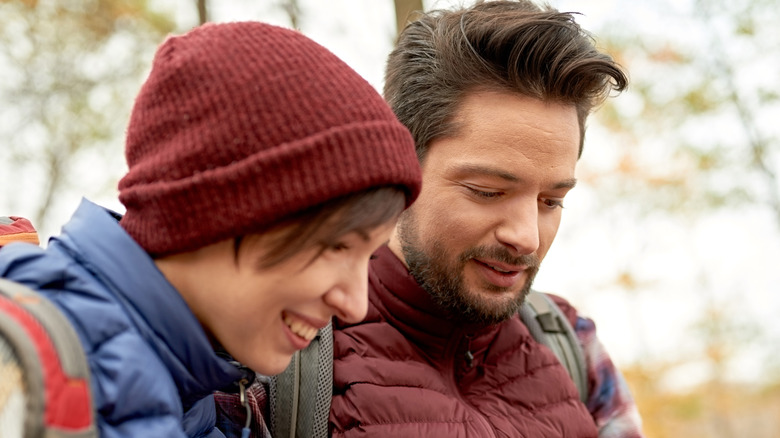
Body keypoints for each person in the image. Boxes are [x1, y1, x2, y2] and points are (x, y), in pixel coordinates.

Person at [0, 21, 421, 438]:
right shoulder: (27, 376)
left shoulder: (195, 396)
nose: (355, 305)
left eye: (367, 257)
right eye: (337, 246)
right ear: (215, 210)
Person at [326, 1, 642, 437]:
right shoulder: (282, 349)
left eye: (551, 201)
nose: (527, 237)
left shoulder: (573, 345)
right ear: (397, 169)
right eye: (488, 192)